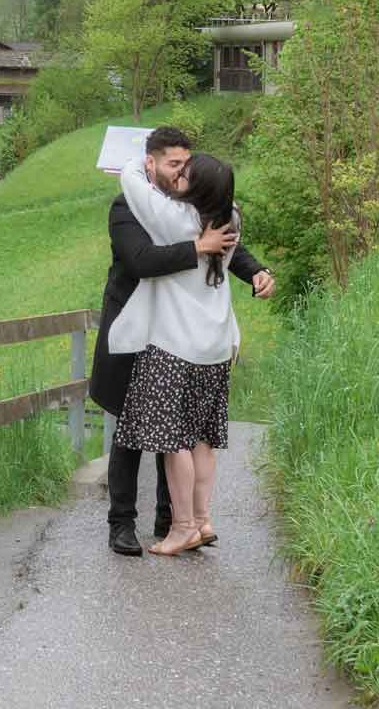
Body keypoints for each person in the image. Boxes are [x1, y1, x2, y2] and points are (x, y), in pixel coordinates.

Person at [90, 127, 273, 555]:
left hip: (174, 334)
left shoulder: (187, 207)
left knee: (173, 431)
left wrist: (256, 271)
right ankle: (123, 523)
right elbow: (140, 261)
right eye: (174, 165)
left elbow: (228, 245)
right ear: (150, 163)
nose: (179, 173)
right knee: (129, 432)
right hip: (135, 331)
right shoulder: (129, 207)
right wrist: (198, 247)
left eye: (185, 167)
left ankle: (172, 519)